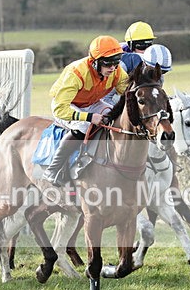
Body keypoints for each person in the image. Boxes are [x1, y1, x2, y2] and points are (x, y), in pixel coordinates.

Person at [42, 35, 129, 187]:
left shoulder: (117, 71)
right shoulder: (76, 73)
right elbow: (60, 109)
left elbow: (128, 93)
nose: (113, 68)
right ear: (95, 62)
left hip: (92, 103)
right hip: (67, 105)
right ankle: (53, 169)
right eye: (108, 64)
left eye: (116, 63)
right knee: (83, 126)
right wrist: (89, 117)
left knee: (112, 117)